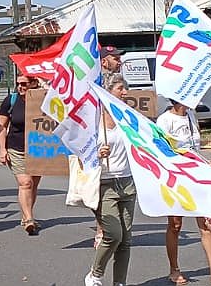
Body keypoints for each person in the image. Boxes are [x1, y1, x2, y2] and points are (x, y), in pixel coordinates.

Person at [156, 100, 211, 285]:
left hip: (197, 176)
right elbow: (163, 150)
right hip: (176, 178)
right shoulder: (164, 120)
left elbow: (195, 145)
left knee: (205, 223)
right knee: (175, 225)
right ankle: (174, 269)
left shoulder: (192, 115)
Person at [85, 74, 136, 286]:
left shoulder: (128, 117)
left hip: (127, 182)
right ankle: (95, 274)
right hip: (104, 183)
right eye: (120, 88)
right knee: (113, 234)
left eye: (125, 88)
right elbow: (80, 152)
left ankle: (119, 282)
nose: (125, 92)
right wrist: (97, 153)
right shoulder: (92, 121)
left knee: (125, 240)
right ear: (108, 91)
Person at [0, 74, 41, 234]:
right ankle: (29, 219)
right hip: (16, 148)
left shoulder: (43, 98)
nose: (20, 87)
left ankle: (27, 213)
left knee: (33, 184)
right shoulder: (11, 100)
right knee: (25, 183)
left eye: (24, 84)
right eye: (18, 84)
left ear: (34, 83)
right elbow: (1, 126)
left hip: (38, 148)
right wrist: (2, 149)